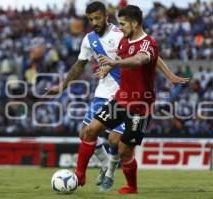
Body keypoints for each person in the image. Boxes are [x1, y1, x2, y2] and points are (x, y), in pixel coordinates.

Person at [46, 2, 189, 192]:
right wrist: (65, 85)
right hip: (118, 98)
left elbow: (145, 57)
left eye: (98, 18)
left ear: (107, 17)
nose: (94, 22)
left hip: (139, 104)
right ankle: (81, 174)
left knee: (120, 146)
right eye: (91, 19)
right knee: (88, 132)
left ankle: (126, 182)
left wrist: (115, 63)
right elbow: (81, 65)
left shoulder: (132, 38)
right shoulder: (106, 40)